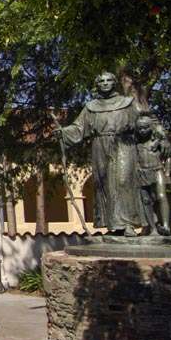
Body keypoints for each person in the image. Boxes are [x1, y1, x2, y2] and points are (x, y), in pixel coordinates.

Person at [55, 72, 142, 235]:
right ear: (97, 85)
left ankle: (128, 224)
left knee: (123, 181)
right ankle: (113, 225)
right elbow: (79, 128)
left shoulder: (127, 103)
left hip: (123, 143)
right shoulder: (91, 107)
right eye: (101, 81)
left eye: (109, 80)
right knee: (104, 183)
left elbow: (144, 120)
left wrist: (157, 137)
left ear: (114, 83)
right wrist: (63, 133)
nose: (105, 83)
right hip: (100, 145)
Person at [134, 115, 171, 235]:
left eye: (145, 128)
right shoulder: (136, 144)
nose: (142, 131)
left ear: (151, 127)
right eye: (140, 128)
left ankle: (166, 226)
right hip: (142, 173)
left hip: (157, 170)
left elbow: (168, 157)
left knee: (161, 196)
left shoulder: (157, 143)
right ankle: (152, 228)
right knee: (146, 201)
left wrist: (167, 172)